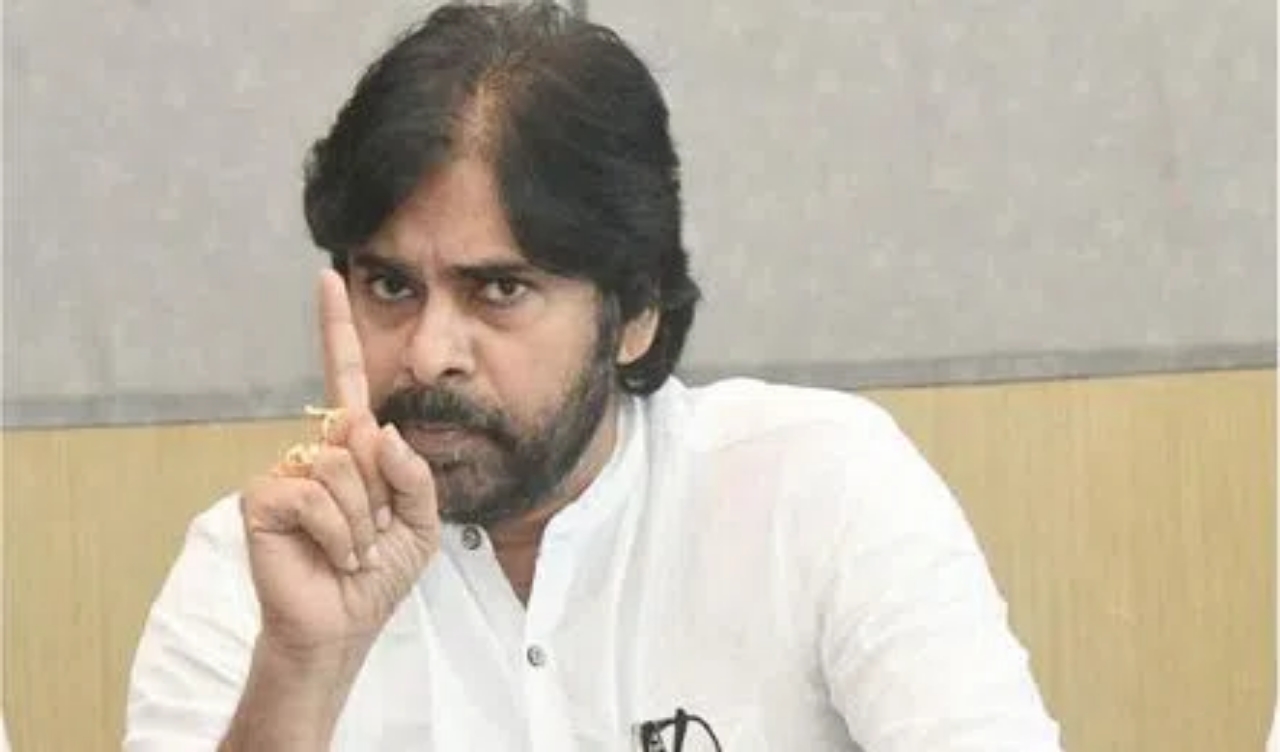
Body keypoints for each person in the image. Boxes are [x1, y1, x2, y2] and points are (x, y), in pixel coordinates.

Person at [125, 2, 1063, 749]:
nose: (427, 351)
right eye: (391, 286)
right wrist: (300, 672)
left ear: (636, 310)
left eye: (499, 290)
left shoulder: (817, 487)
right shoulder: (257, 569)